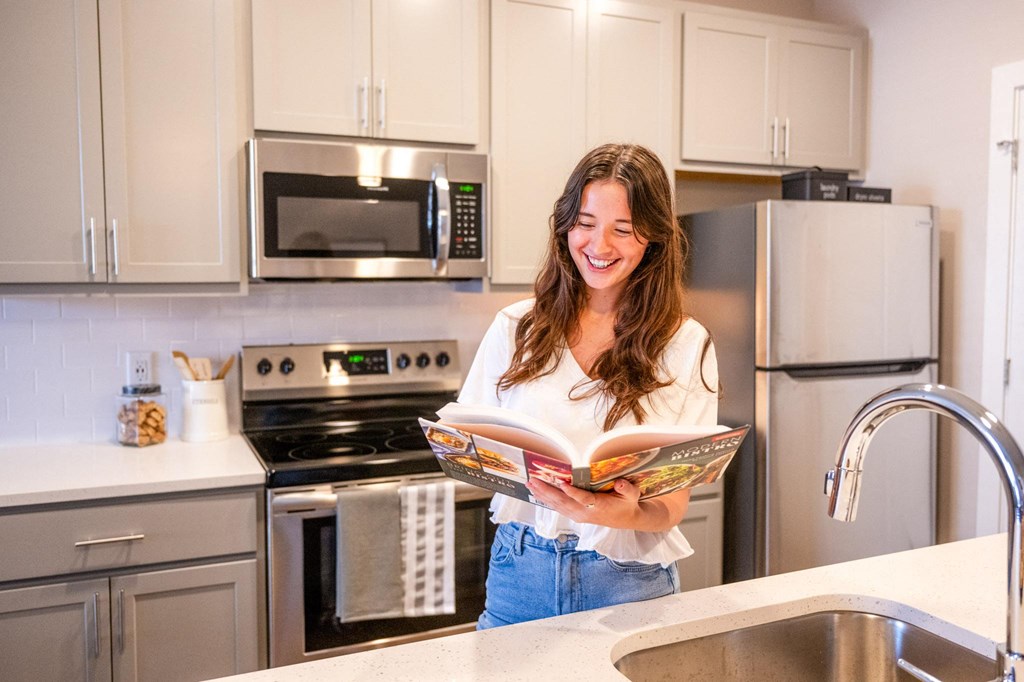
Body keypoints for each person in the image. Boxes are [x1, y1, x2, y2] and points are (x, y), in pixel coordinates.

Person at [459, 143, 720, 629]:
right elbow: (472, 444)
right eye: (585, 223)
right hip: (520, 570)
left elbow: (671, 507)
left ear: (653, 239)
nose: (599, 246)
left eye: (622, 230)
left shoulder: (686, 343)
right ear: (564, 227)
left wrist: (618, 513)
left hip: (628, 580)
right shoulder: (515, 327)